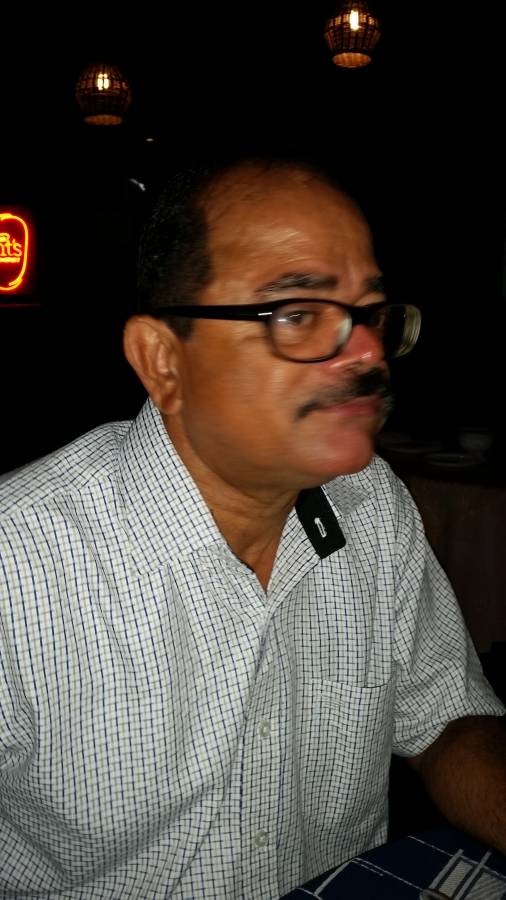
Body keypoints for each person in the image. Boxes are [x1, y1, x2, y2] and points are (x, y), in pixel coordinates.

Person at [0, 154, 505, 899]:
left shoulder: (370, 504)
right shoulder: (18, 562)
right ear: (162, 360)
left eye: (369, 311)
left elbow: (447, 719)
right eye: (297, 314)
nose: (368, 351)